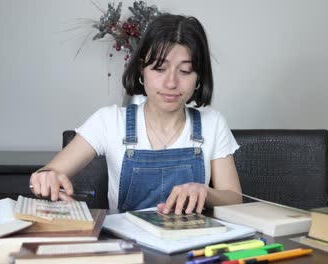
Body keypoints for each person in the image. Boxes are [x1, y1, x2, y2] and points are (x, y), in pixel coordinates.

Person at [29, 14, 242, 215]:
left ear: (199, 76)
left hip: (192, 247)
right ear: (142, 69)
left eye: (185, 71)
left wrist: (205, 191)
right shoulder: (109, 121)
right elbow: (48, 172)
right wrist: (46, 178)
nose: (171, 83)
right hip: (128, 250)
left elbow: (234, 199)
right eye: (159, 68)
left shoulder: (212, 124)